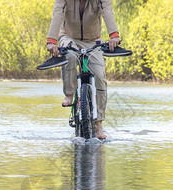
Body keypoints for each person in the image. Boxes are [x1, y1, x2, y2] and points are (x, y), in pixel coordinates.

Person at [46, 0, 120, 140]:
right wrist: (52, 40)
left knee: (99, 75)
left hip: (93, 40)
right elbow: (57, 14)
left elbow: (107, 12)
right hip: (68, 37)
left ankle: (98, 124)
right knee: (70, 56)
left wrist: (114, 35)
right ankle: (69, 94)